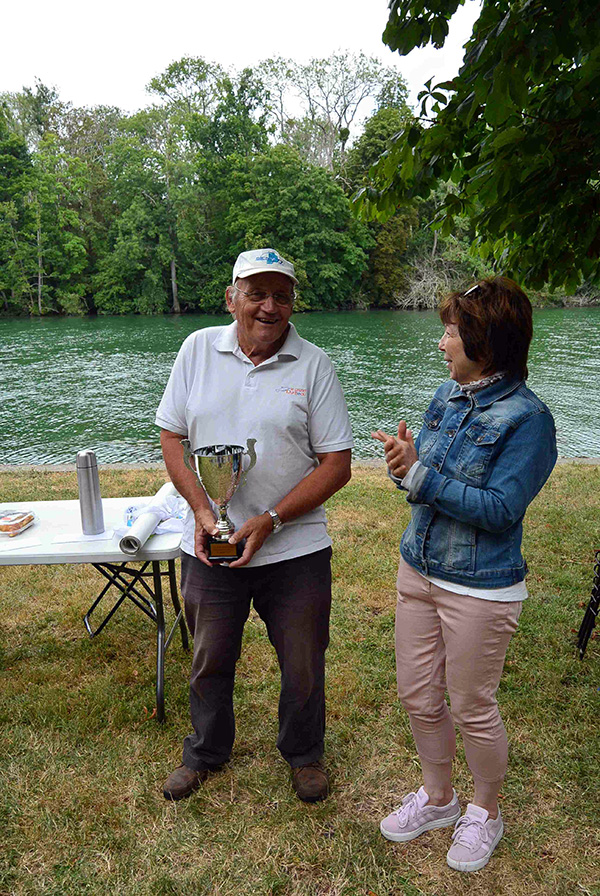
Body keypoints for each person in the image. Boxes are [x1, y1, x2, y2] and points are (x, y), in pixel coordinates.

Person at [372, 277, 557, 872]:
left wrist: (422, 477)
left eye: (451, 332)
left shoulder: (529, 420)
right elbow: (423, 476)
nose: (442, 344)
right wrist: (405, 466)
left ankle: (485, 812)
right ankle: (438, 798)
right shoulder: (446, 397)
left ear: (486, 340)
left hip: (480, 586)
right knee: (419, 695)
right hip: (418, 567)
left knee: (472, 705)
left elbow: (502, 509)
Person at [156, 248, 353, 803]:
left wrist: (270, 519)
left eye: (282, 296)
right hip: (211, 542)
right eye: (257, 293)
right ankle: (206, 751)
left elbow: (337, 462)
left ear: (293, 304)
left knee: (303, 662)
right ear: (231, 298)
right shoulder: (196, 349)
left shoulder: (314, 365)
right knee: (210, 656)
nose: (269, 306)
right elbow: (172, 436)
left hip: (296, 547)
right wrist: (201, 508)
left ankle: (304, 754)